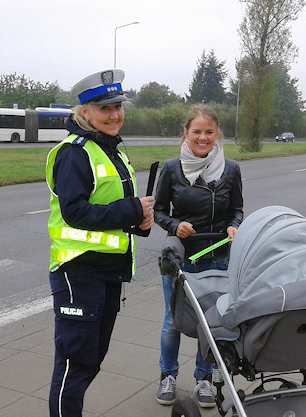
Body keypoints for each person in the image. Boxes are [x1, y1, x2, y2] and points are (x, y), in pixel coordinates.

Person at [46, 68, 154, 417]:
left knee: (90, 361)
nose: (115, 114)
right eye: (105, 108)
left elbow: (114, 211)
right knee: (75, 364)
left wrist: (140, 221)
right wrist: (131, 209)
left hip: (107, 272)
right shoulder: (75, 153)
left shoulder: (110, 149)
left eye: (118, 106)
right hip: (79, 272)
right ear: (85, 112)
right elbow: (75, 212)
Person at [153, 104, 243, 408]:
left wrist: (234, 226)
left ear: (216, 133)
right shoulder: (171, 168)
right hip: (180, 258)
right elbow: (159, 211)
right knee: (173, 320)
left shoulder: (231, 169)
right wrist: (176, 225)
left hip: (218, 256)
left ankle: (204, 379)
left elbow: (238, 209)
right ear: (186, 133)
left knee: (213, 322)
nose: (202, 137)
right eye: (196, 132)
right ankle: (168, 375)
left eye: (209, 131)